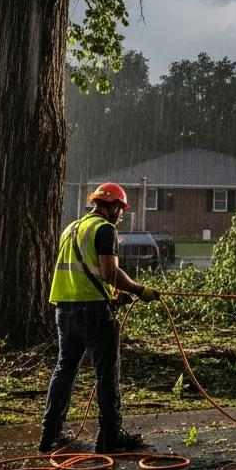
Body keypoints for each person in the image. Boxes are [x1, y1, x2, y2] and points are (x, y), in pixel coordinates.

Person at [40, 182, 161, 454]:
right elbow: (109, 273)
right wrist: (140, 290)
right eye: (121, 209)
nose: (121, 215)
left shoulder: (72, 228)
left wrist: (114, 295)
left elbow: (87, 273)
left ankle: (50, 435)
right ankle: (109, 438)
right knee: (106, 372)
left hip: (64, 308)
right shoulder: (105, 229)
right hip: (93, 313)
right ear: (114, 206)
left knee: (64, 369)